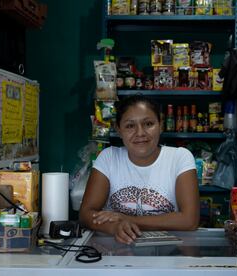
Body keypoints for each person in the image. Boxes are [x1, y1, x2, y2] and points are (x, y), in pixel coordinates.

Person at [79, 94, 199, 244]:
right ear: (118, 129)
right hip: (118, 254)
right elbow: (85, 214)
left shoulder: (180, 157)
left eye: (148, 124)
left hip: (169, 257)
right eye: (130, 126)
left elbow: (189, 220)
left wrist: (127, 219)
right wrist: (115, 227)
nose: (140, 133)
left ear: (161, 125)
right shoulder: (109, 157)